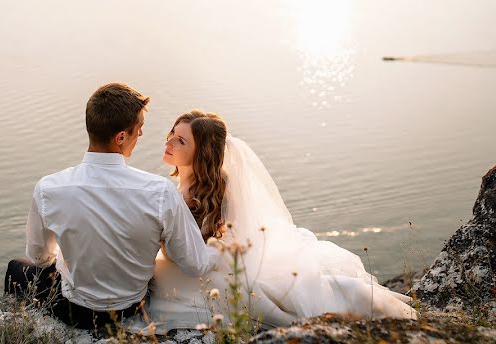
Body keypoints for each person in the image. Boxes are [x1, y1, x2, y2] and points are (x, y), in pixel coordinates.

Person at [147, 110, 418, 332]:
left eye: (181, 140)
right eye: (172, 133)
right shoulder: (178, 188)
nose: (169, 141)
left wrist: (171, 244)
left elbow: (227, 245)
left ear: (202, 153)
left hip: (212, 268)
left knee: (296, 300)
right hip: (189, 263)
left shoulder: (221, 191)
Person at [5, 85, 220, 334]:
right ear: (121, 137)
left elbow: (39, 257)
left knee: (15, 267)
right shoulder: (160, 192)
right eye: (138, 130)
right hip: (127, 310)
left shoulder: (49, 188)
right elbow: (195, 265)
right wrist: (219, 251)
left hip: (72, 309)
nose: (140, 135)